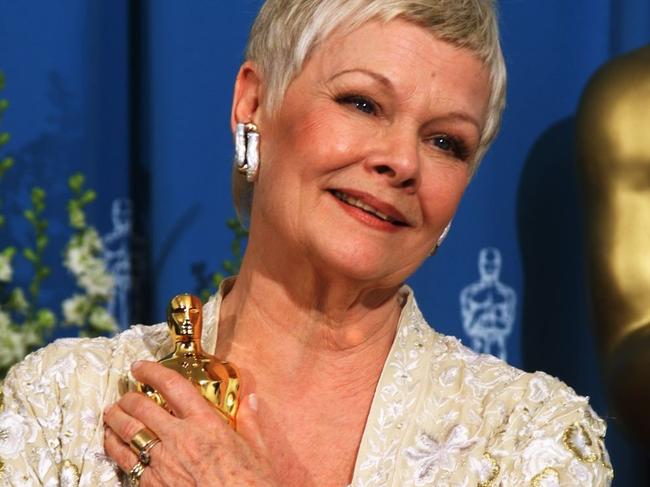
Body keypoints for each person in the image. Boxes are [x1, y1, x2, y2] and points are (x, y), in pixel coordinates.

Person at [0, 1, 613, 485]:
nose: (402, 162)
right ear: (254, 104)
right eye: (363, 103)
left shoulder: (529, 440)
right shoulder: (62, 405)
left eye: (445, 142)